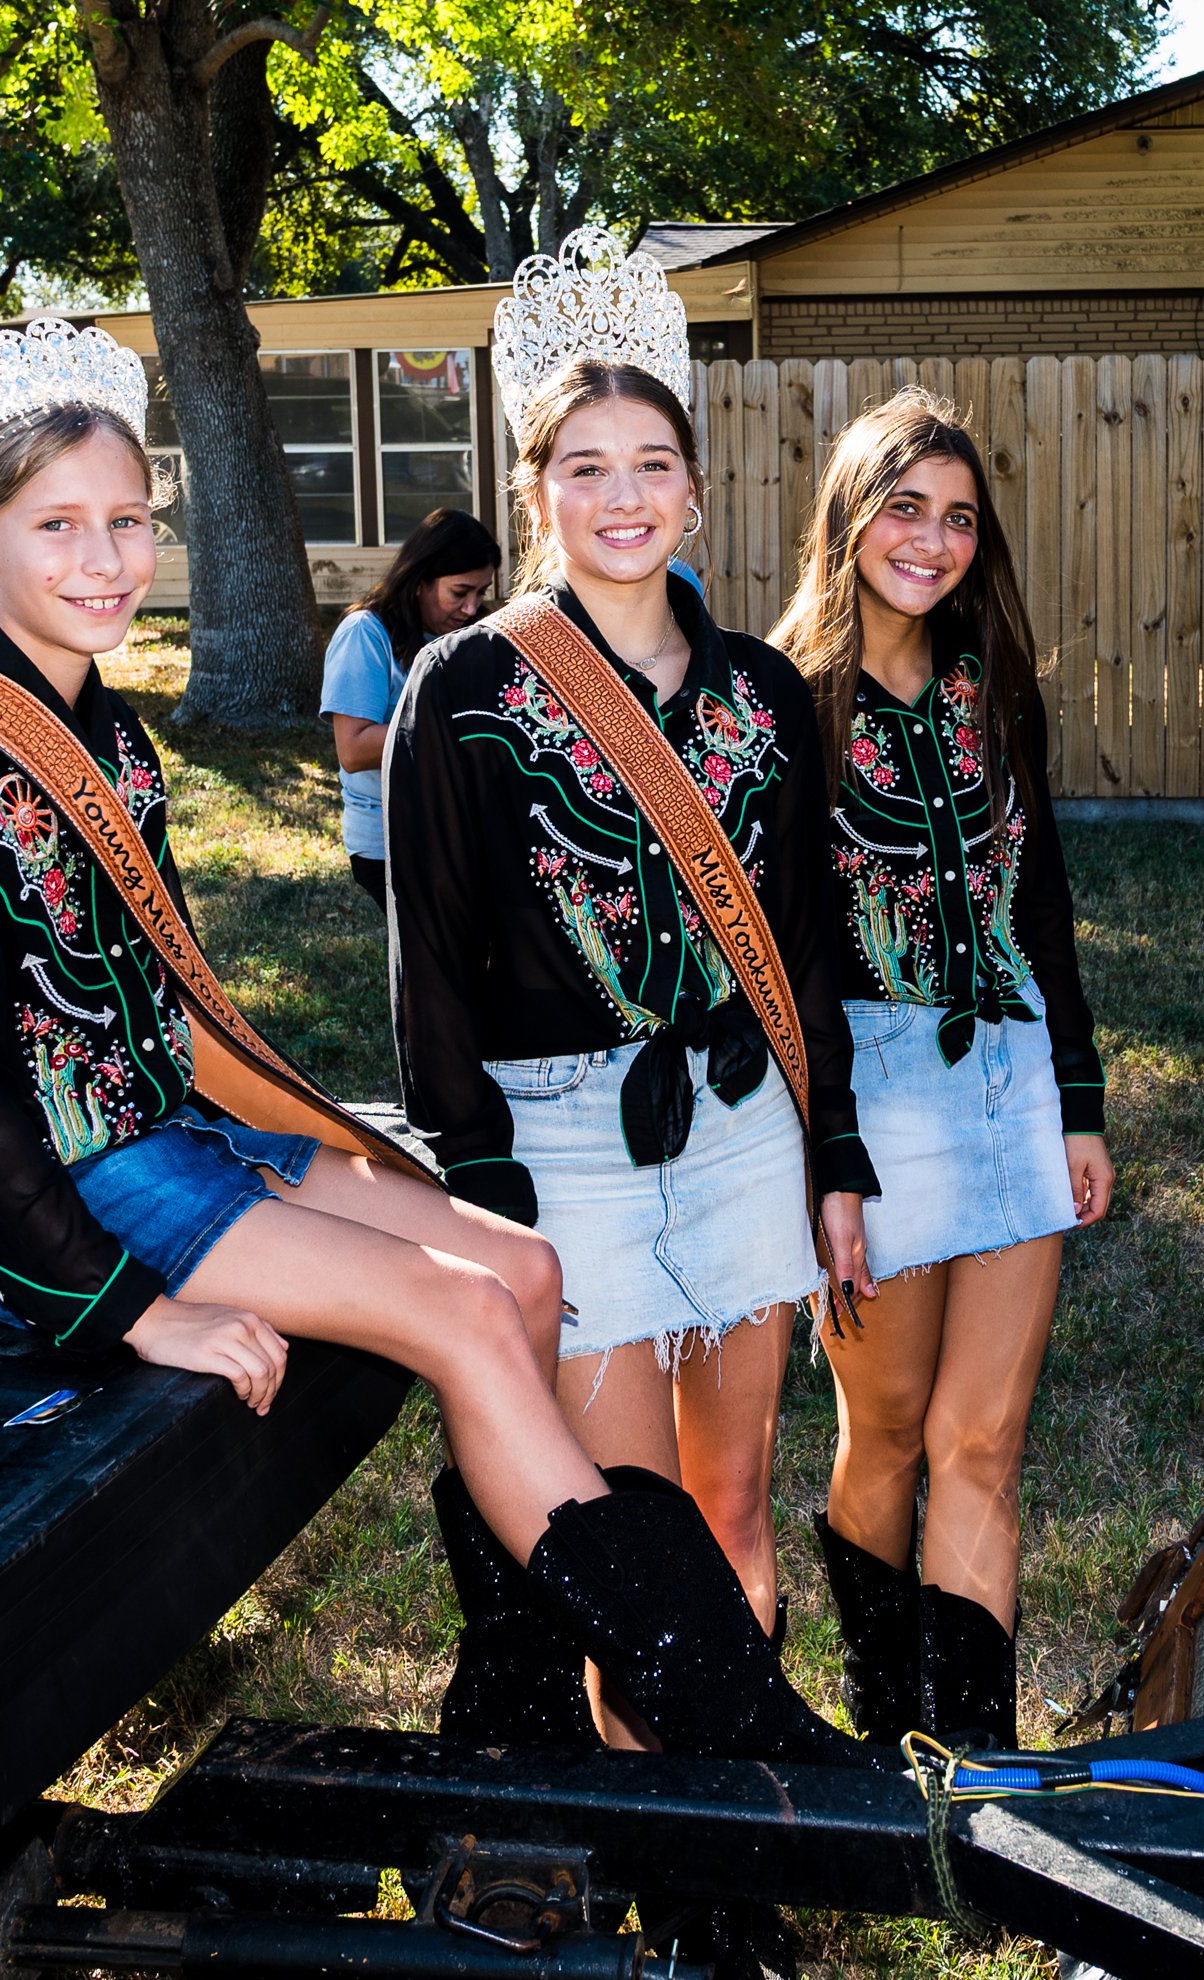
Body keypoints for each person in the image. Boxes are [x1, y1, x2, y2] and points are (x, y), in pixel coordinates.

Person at [0, 316, 870, 1771]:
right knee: (456, 1314)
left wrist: (313, 1144)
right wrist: (134, 1311)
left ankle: (510, 1699)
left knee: (522, 1268)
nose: (106, 560)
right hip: (53, 1208)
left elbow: (164, 1018)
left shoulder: (110, 740)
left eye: (128, 520)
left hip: (171, 1143)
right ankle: (724, 1703)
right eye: (57, 526)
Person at [386, 230, 879, 1751]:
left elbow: (806, 943)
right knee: (631, 1535)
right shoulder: (463, 685)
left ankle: (733, 1856)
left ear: (695, 490)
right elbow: (433, 963)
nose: (623, 497)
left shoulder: (764, 694)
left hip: (742, 1130)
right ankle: (657, 1855)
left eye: (652, 463)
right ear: (537, 491)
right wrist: (482, 1185)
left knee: (730, 1497)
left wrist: (834, 1159)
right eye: (585, 467)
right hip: (562, 1144)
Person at [770, 389, 1114, 1751]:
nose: (933, 539)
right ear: (849, 516)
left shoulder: (993, 685)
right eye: (905, 507)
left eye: (960, 516)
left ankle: (972, 1764)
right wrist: (831, 1155)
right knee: (893, 1432)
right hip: (874, 1089)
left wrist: (1079, 1105)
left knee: (986, 1441)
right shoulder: (784, 700)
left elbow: (1045, 907)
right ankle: (876, 1715)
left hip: (1012, 1076)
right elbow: (786, 958)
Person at [320, 510, 500, 908]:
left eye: (481, 593)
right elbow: (352, 749)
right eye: (460, 592)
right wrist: (458, 726)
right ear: (420, 582)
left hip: (459, 838)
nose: (472, 607)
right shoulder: (365, 633)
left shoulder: (465, 637)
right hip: (391, 843)